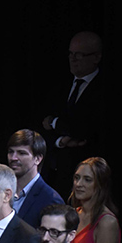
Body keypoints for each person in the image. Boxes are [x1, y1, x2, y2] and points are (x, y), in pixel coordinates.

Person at [42, 31, 106, 187]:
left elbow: (83, 130)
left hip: (89, 177)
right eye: (71, 54)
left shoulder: (105, 89)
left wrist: (54, 122)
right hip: (57, 174)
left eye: (79, 55)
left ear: (96, 57)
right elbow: (41, 126)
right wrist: (60, 141)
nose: (73, 59)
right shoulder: (60, 86)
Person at [7, 129, 63, 228]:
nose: (13, 158)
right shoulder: (2, 191)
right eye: (11, 152)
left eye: (21, 153)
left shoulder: (50, 200)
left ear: (37, 159)